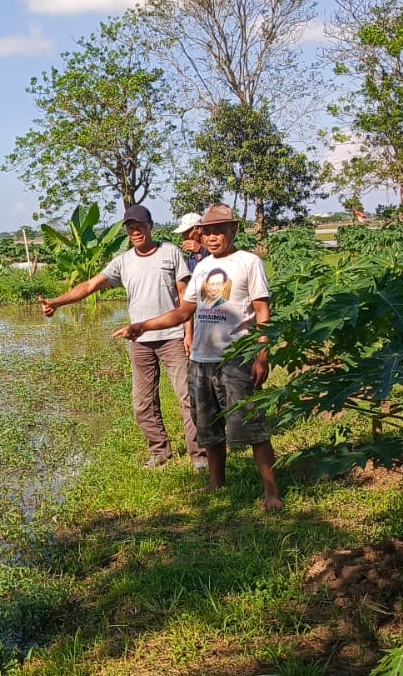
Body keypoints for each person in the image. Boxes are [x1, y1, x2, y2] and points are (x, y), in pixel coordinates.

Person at [114, 203, 281, 512]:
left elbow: (262, 313)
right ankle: (217, 483)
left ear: (233, 231)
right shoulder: (202, 267)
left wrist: (261, 354)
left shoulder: (249, 262)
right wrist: (142, 326)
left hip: (235, 358)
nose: (214, 237)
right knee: (208, 427)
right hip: (201, 359)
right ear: (201, 234)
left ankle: (271, 490)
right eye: (208, 232)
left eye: (220, 231)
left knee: (252, 427)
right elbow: (183, 311)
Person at [39, 204, 206, 470]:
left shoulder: (171, 253)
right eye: (130, 227)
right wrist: (57, 302)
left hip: (172, 337)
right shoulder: (123, 262)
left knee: (188, 396)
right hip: (139, 341)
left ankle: (199, 454)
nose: (135, 231)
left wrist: (189, 334)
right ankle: (159, 451)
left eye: (140, 225)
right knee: (142, 402)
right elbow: (90, 285)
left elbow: (186, 299)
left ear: (151, 225)